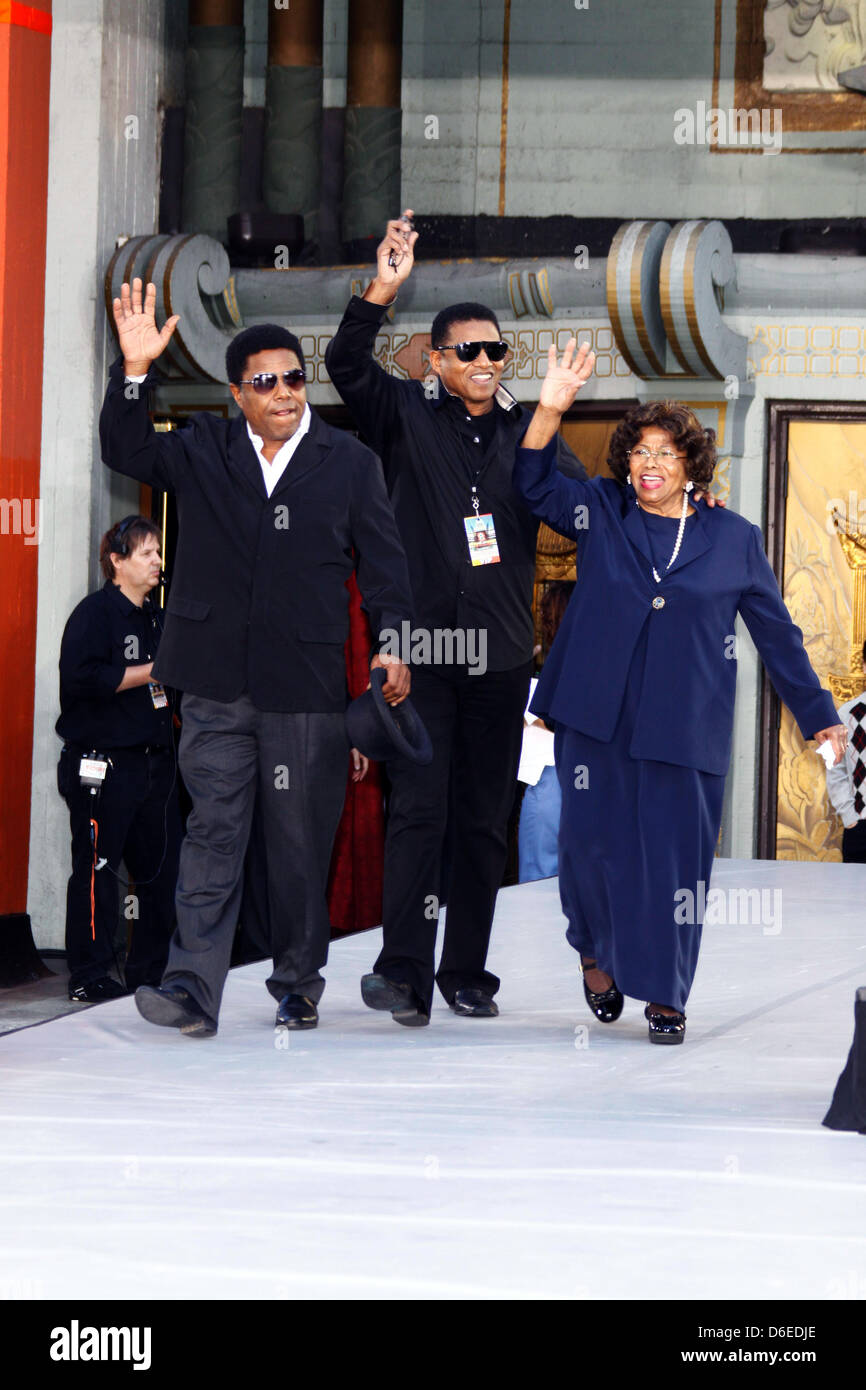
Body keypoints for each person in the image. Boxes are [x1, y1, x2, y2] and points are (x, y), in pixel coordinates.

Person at [100, 279, 413, 1038]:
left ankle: (298, 982)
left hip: (306, 687)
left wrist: (394, 644)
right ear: (237, 393)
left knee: (301, 842)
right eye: (265, 381)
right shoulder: (202, 447)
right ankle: (190, 987)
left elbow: (386, 566)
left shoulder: (348, 461)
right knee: (213, 833)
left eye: (294, 377)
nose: (284, 391)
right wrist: (135, 371)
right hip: (213, 683)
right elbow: (126, 446)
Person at [514, 339, 847, 1044]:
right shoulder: (602, 511)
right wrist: (550, 407)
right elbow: (534, 485)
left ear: (693, 466)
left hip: (683, 722)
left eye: (666, 453)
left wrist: (818, 715)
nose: (650, 464)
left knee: (674, 862)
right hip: (596, 715)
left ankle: (665, 992)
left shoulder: (733, 538)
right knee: (586, 850)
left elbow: (777, 632)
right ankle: (595, 952)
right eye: (640, 452)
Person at [324, 209, 588, 1026]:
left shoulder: (528, 434)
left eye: (495, 350)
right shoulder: (403, 415)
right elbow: (342, 364)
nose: (483, 361)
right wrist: (383, 288)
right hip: (423, 649)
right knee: (420, 808)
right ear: (436, 361)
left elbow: (585, 509)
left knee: (480, 820)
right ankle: (402, 968)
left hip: (503, 655)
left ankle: (466, 971)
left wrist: (678, 502)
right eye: (466, 351)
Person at [57, 515, 182, 1001]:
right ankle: (89, 975)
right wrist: (153, 671)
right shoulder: (94, 614)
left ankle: (148, 974)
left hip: (156, 766)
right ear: (117, 560)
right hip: (103, 765)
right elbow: (82, 679)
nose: (157, 561)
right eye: (147, 553)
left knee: (159, 873)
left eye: (158, 553)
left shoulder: (160, 618)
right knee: (97, 869)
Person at [517, 582, 574, 882]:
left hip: (547, 778)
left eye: (546, 615)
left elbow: (546, 718)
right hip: (584, 780)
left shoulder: (558, 665)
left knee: (537, 880)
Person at [825, 640, 866, 862]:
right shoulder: (846, 715)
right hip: (861, 827)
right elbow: (834, 768)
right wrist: (850, 817)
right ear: (864, 667)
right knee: (857, 895)